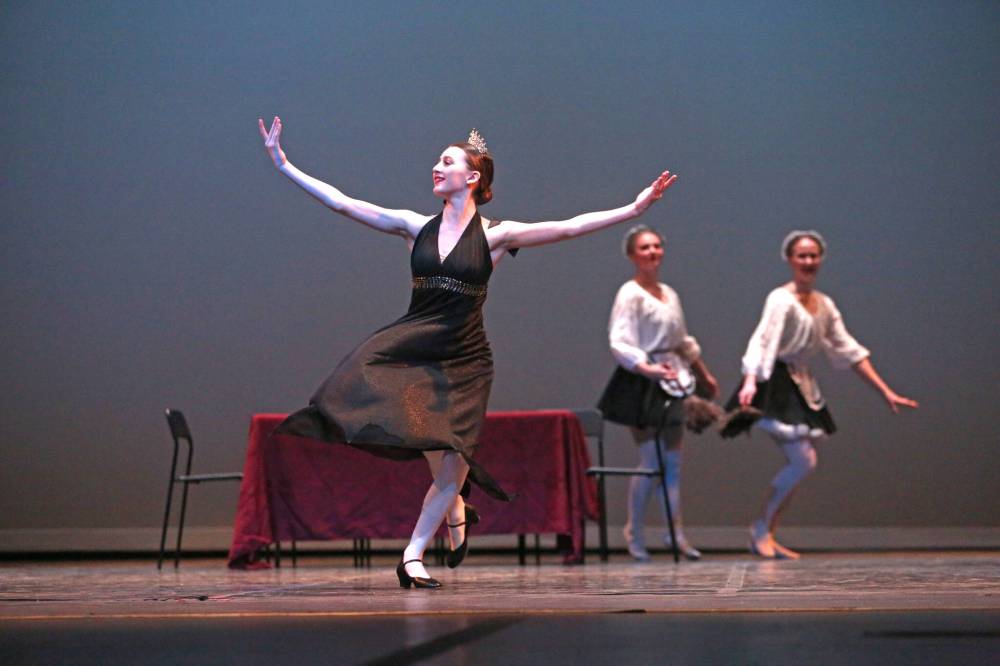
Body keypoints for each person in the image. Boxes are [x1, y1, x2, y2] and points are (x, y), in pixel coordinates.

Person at [258, 116, 678, 588]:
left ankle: (412, 555)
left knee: (452, 458)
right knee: (426, 443)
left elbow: (567, 227)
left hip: (465, 359)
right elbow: (343, 203)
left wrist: (633, 208)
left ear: (472, 177)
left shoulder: (496, 235)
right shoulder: (415, 226)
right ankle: (456, 508)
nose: (436, 167)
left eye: (447, 161)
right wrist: (285, 165)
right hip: (415, 348)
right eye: (437, 161)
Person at [722, 230, 918, 559]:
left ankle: (766, 530)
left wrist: (885, 391)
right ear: (790, 260)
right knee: (803, 460)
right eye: (802, 255)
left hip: (799, 383)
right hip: (774, 382)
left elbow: (849, 349)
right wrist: (750, 380)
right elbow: (763, 339)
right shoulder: (780, 299)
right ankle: (761, 528)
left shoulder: (824, 304)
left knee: (804, 461)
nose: (808, 261)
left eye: (813, 256)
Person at [597, 226, 718, 561]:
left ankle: (674, 534)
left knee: (673, 463)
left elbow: (682, 340)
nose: (652, 252)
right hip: (641, 380)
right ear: (632, 255)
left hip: (673, 376)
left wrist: (703, 374)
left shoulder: (669, 294)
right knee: (651, 461)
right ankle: (634, 532)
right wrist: (645, 367)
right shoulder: (630, 294)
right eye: (644, 247)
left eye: (656, 246)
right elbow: (619, 340)